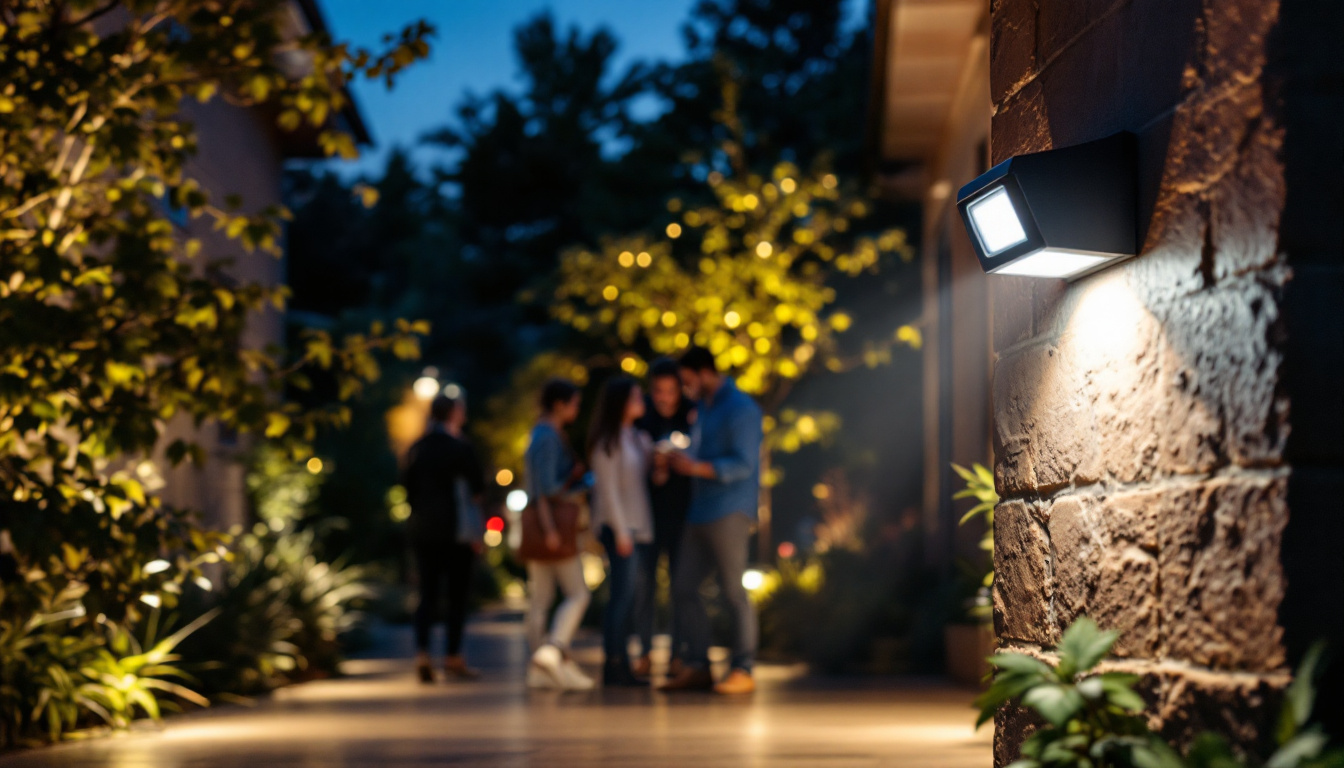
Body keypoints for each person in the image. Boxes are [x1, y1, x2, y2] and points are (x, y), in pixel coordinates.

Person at [659, 346, 763, 695]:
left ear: (704, 372)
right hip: (699, 509)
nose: (686, 388)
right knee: (683, 587)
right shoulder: (703, 408)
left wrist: (697, 467)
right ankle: (699, 665)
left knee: (732, 590)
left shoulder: (741, 408)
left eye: (688, 381)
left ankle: (743, 668)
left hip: (729, 509)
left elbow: (744, 464)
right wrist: (680, 459)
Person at [402, 392, 486, 683]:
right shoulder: (460, 448)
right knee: (456, 595)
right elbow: (477, 490)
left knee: (426, 593)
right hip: (455, 531)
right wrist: (479, 532)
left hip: (423, 529)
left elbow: (408, 489)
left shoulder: (417, 448)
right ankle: (452, 656)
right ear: (453, 414)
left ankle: (422, 653)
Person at [523, 378, 595, 691]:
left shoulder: (539, 434)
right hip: (554, 525)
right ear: (559, 404)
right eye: (574, 403)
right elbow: (547, 488)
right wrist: (584, 484)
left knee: (541, 598)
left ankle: (541, 667)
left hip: (540, 525)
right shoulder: (548, 437)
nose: (576, 410)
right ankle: (552, 650)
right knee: (578, 593)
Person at [587, 375, 655, 687]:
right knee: (621, 597)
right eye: (635, 397)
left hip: (636, 525)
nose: (641, 401)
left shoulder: (634, 438)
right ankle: (614, 663)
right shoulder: (607, 442)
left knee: (631, 596)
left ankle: (622, 663)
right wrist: (621, 531)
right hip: (620, 528)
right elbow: (608, 490)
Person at [632, 357, 695, 678]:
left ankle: (677, 655)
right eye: (658, 390)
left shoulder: (692, 414)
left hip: (683, 515)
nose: (664, 397)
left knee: (680, 588)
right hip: (647, 516)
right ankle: (644, 652)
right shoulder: (641, 418)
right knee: (645, 587)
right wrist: (655, 466)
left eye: (671, 390)